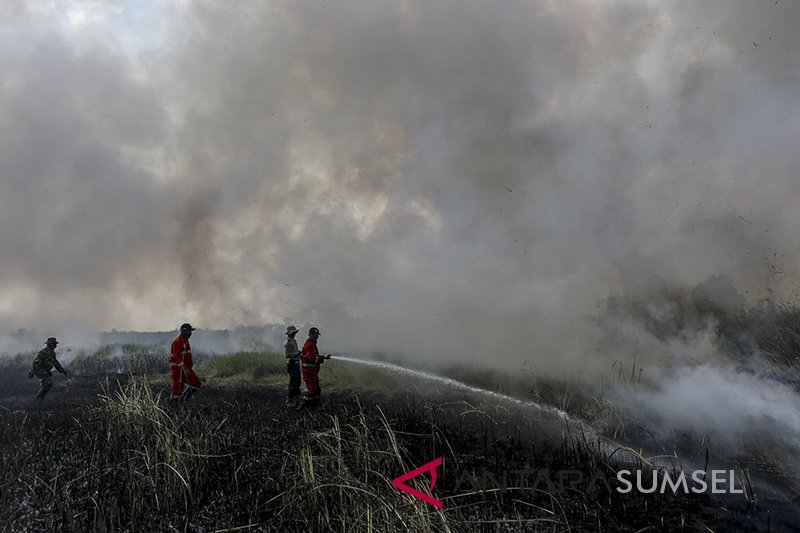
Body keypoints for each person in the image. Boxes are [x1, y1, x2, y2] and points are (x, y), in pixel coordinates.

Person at [298, 327, 330, 410]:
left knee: (317, 389)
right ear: (310, 335)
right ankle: (302, 404)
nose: (316, 336)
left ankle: (314, 405)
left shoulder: (312, 343)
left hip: (312, 371)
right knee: (312, 389)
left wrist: (324, 357)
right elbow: (311, 358)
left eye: (317, 335)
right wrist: (321, 358)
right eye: (314, 335)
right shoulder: (310, 344)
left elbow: (313, 356)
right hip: (308, 371)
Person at [170, 323, 202, 401]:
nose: (190, 333)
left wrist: (189, 367)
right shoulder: (177, 342)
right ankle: (174, 408)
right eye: (188, 332)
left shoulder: (186, 341)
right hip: (178, 369)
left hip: (186, 368)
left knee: (196, 383)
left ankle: (183, 400)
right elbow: (176, 356)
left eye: (191, 332)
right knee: (177, 391)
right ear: (184, 332)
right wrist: (183, 368)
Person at [284, 325, 302, 405]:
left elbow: (294, 351)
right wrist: (297, 353)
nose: (294, 334)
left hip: (296, 362)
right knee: (293, 381)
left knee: (297, 381)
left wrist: (299, 353)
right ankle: (290, 398)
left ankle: (297, 397)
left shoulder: (293, 341)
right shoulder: (288, 343)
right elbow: (287, 355)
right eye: (293, 333)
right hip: (292, 363)